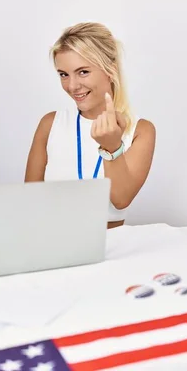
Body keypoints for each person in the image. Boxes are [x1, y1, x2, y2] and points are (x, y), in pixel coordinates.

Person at [25, 22, 156, 229]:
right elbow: (29, 203)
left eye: (83, 72)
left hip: (112, 249)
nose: (72, 86)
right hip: (53, 246)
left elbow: (121, 199)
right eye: (63, 74)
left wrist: (112, 147)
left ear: (109, 70)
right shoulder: (50, 125)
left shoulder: (140, 130)